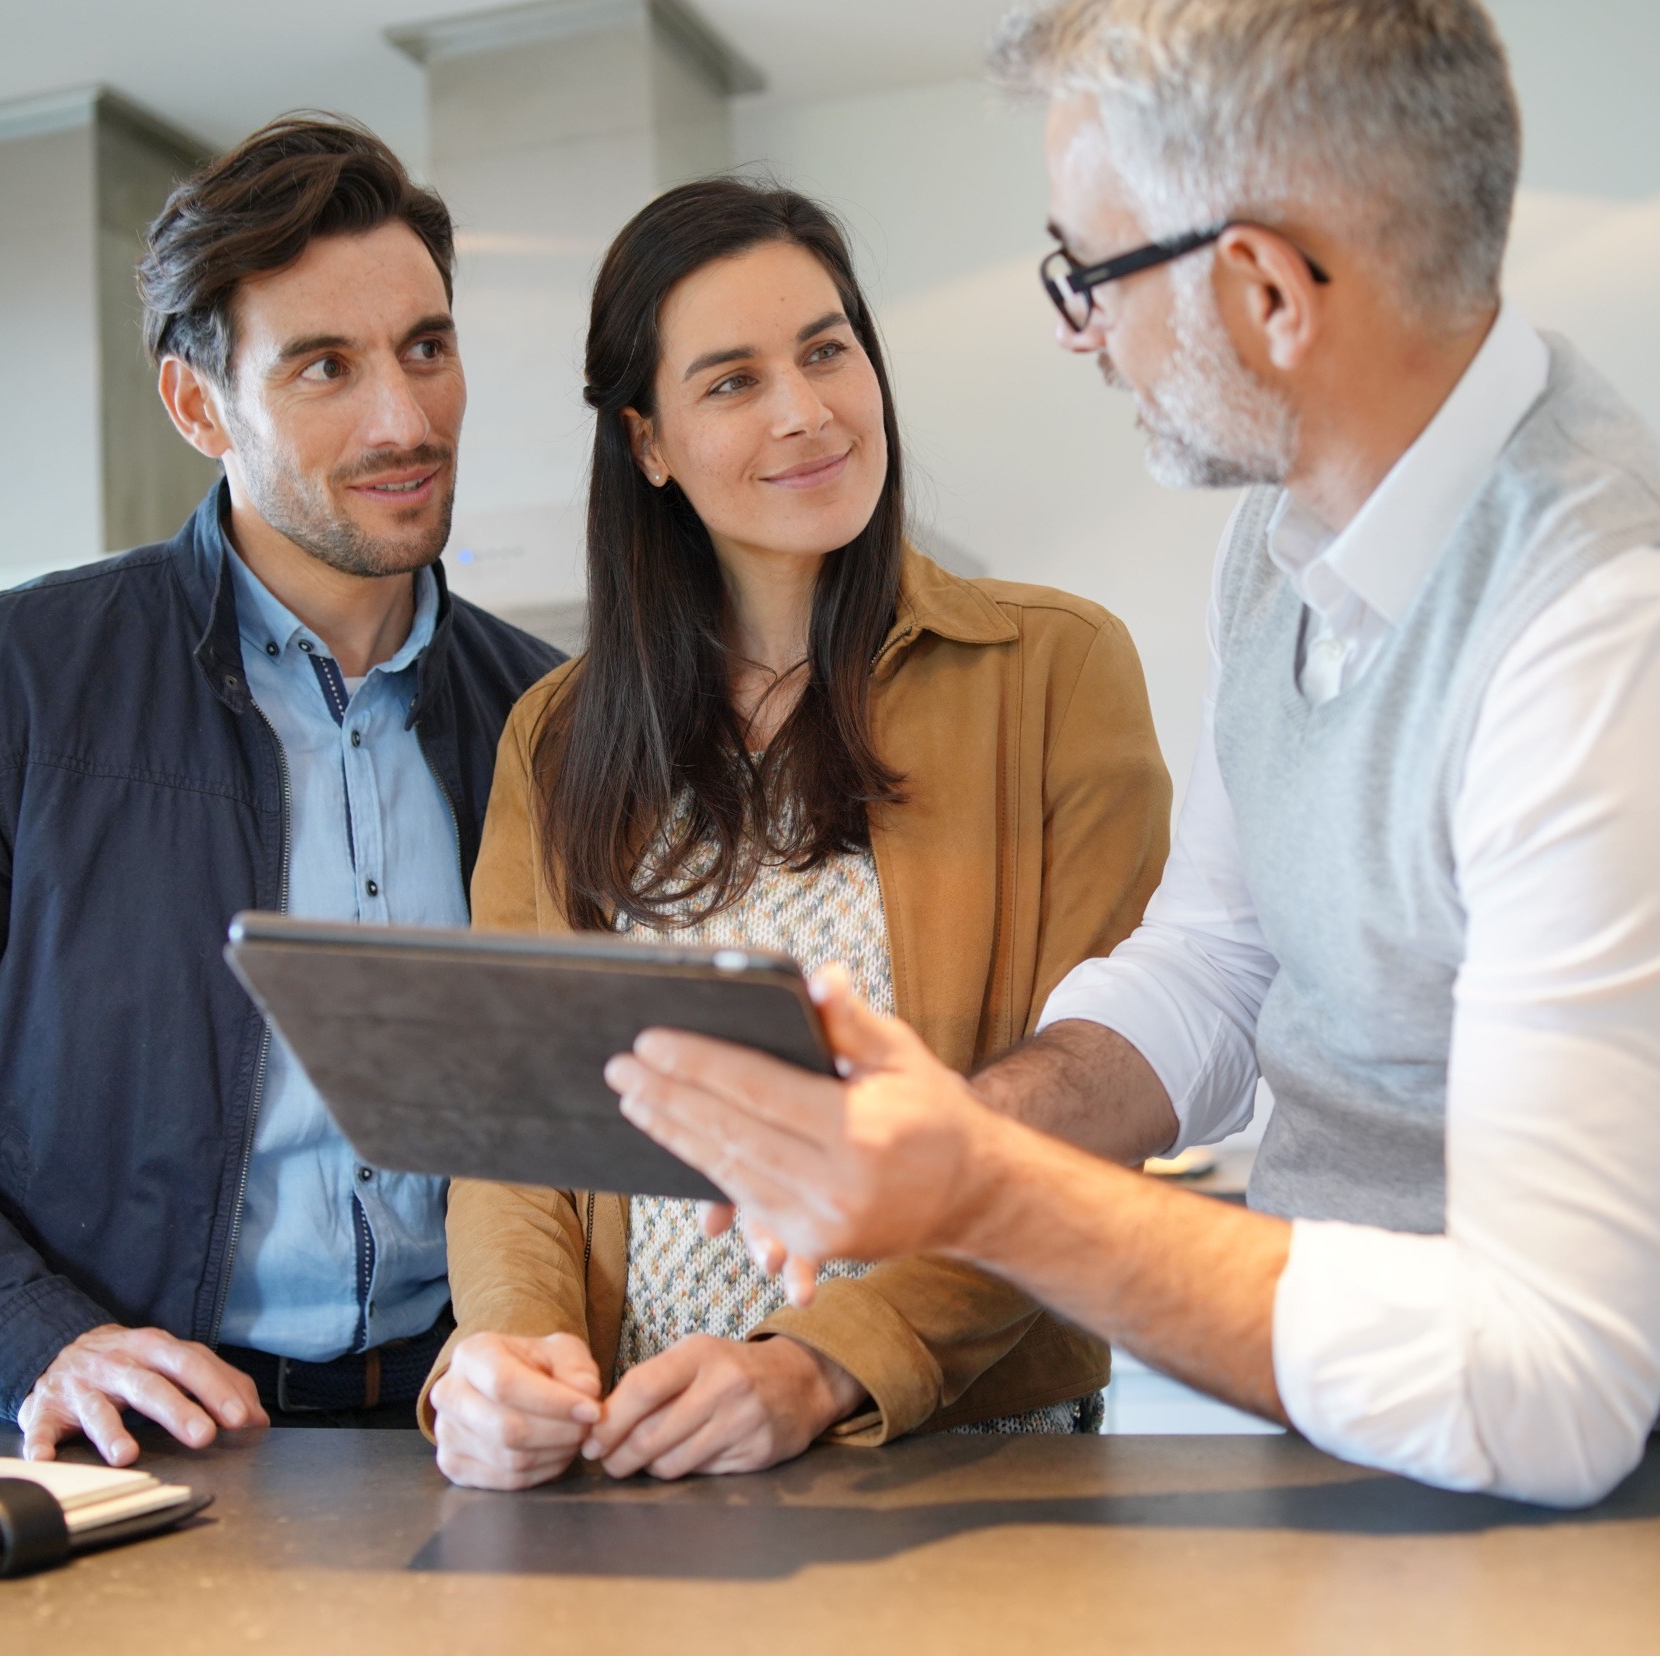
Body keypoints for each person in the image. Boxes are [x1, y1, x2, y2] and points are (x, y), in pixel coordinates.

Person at [601, 0, 1660, 1509]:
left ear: (1267, 290)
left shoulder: (1632, 637)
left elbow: (1546, 1386)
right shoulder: (1281, 553)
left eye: (1089, 272)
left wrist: (987, 1189)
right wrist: (963, 1121)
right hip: (1358, 1464)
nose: (1080, 331)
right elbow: (1216, 959)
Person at [0, 118, 562, 1462]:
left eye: (427, 346)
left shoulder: (550, 717)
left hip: (455, 1439)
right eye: (324, 368)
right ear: (198, 405)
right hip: (124, 1444)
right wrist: (29, 1337)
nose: (404, 420)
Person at [421, 179, 1171, 1489]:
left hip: (965, 1466)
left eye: (828, 350)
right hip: (633, 1461)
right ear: (647, 442)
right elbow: (511, 1127)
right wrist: (509, 1356)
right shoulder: (556, 734)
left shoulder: (1054, 670)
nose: (805, 410)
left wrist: (818, 1365)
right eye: (731, 381)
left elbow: (1083, 1115)